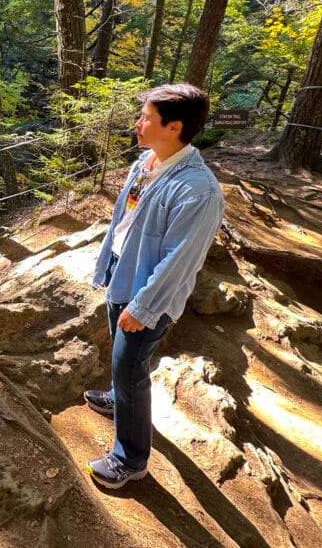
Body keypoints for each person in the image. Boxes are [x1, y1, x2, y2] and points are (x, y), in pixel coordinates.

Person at [85, 84, 225, 489]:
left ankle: (130, 459)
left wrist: (143, 307)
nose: (137, 123)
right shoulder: (147, 162)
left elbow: (179, 262)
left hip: (149, 294)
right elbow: (124, 222)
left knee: (130, 367)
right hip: (122, 275)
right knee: (121, 357)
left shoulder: (198, 191)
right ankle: (118, 400)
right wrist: (107, 267)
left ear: (174, 126)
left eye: (145, 117)